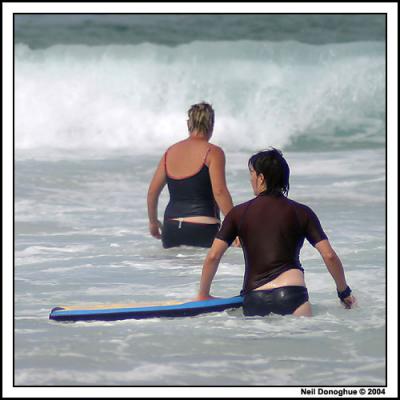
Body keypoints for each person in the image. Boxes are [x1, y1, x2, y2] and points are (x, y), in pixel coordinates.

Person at [195, 148, 356, 317]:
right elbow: (329, 255)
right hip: (292, 294)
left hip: (254, 297)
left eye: (252, 174)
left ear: (261, 178)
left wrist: (203, 294)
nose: (250, 179)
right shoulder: (302, 212)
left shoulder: (238, 213)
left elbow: (213, 256)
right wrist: (343, 292)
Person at [147, 102, 235, 248]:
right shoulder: (213, 152)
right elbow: (220, 192)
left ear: (189, 124)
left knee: (176, 271)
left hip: (172, 228)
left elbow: (152, 193)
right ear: (211, 124)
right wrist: (235, 228)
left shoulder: (170, 152)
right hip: (203, 227)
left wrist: (153, 222)